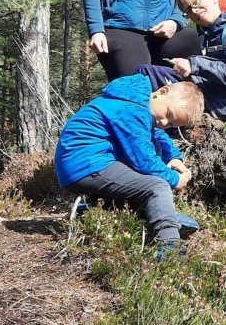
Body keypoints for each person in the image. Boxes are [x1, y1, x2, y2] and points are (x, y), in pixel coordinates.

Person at [54, 75, 205, 259]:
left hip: (82, 163)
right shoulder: (132, 110)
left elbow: (156, 134)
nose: (165, 123)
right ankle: (169, 246)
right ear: (162, 92)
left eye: (172, 124)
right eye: (168, 115)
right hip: (87, 164)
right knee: (157, 186)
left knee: (140, 180)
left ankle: (94, 210)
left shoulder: (134, 101)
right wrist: (174, 179)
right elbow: (145, 162)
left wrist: (174, 157)